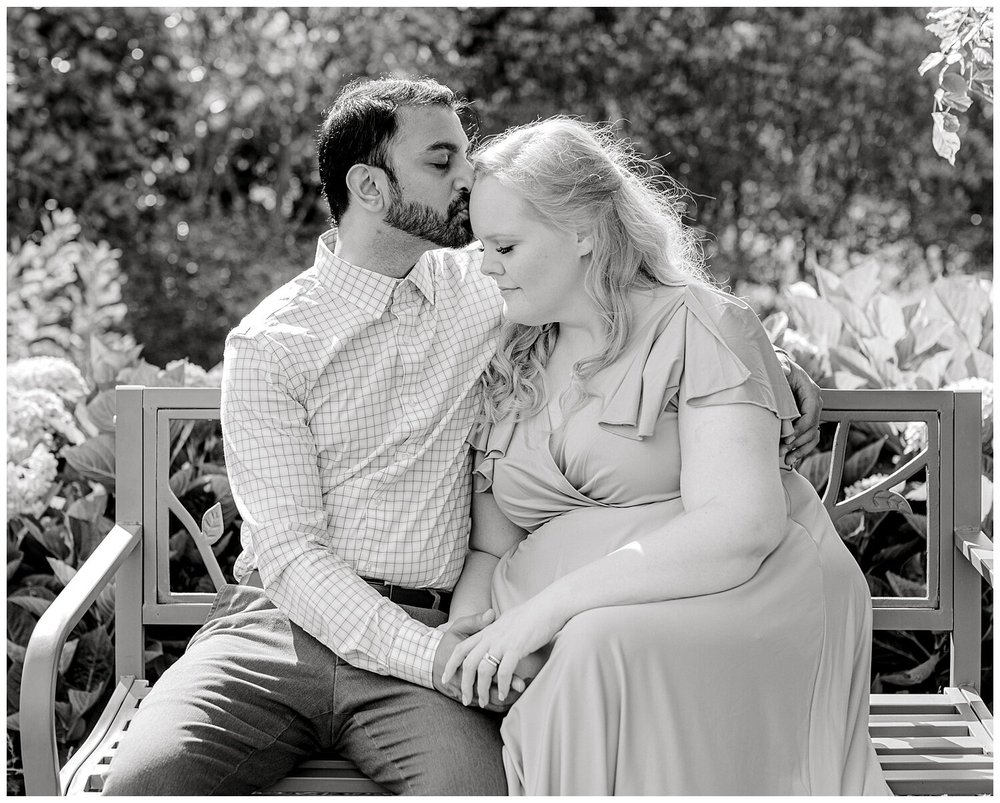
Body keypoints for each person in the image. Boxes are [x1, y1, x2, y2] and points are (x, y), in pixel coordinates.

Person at [103, 78, 824, 795]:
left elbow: (620, 299)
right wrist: (439, 656)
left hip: (433, 627)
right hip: (275, 633)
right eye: (442, 162)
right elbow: (291, 555)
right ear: (372, 186)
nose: (466, 181)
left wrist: (767, 364)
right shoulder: (272, 343)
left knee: (470, 789)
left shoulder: (490, 285)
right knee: (144, 783)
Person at [441, 118, 891, 795]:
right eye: (482, 245)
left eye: (504, 245)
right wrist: (468, 641)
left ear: (584, 231)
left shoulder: (701, 325)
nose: (485, 264)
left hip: (746, 591)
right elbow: (490, 548)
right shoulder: (508, 355)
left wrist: (548, 611)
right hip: (566, 622)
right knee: (586, 649)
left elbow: (740, 529)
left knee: (598, 651)